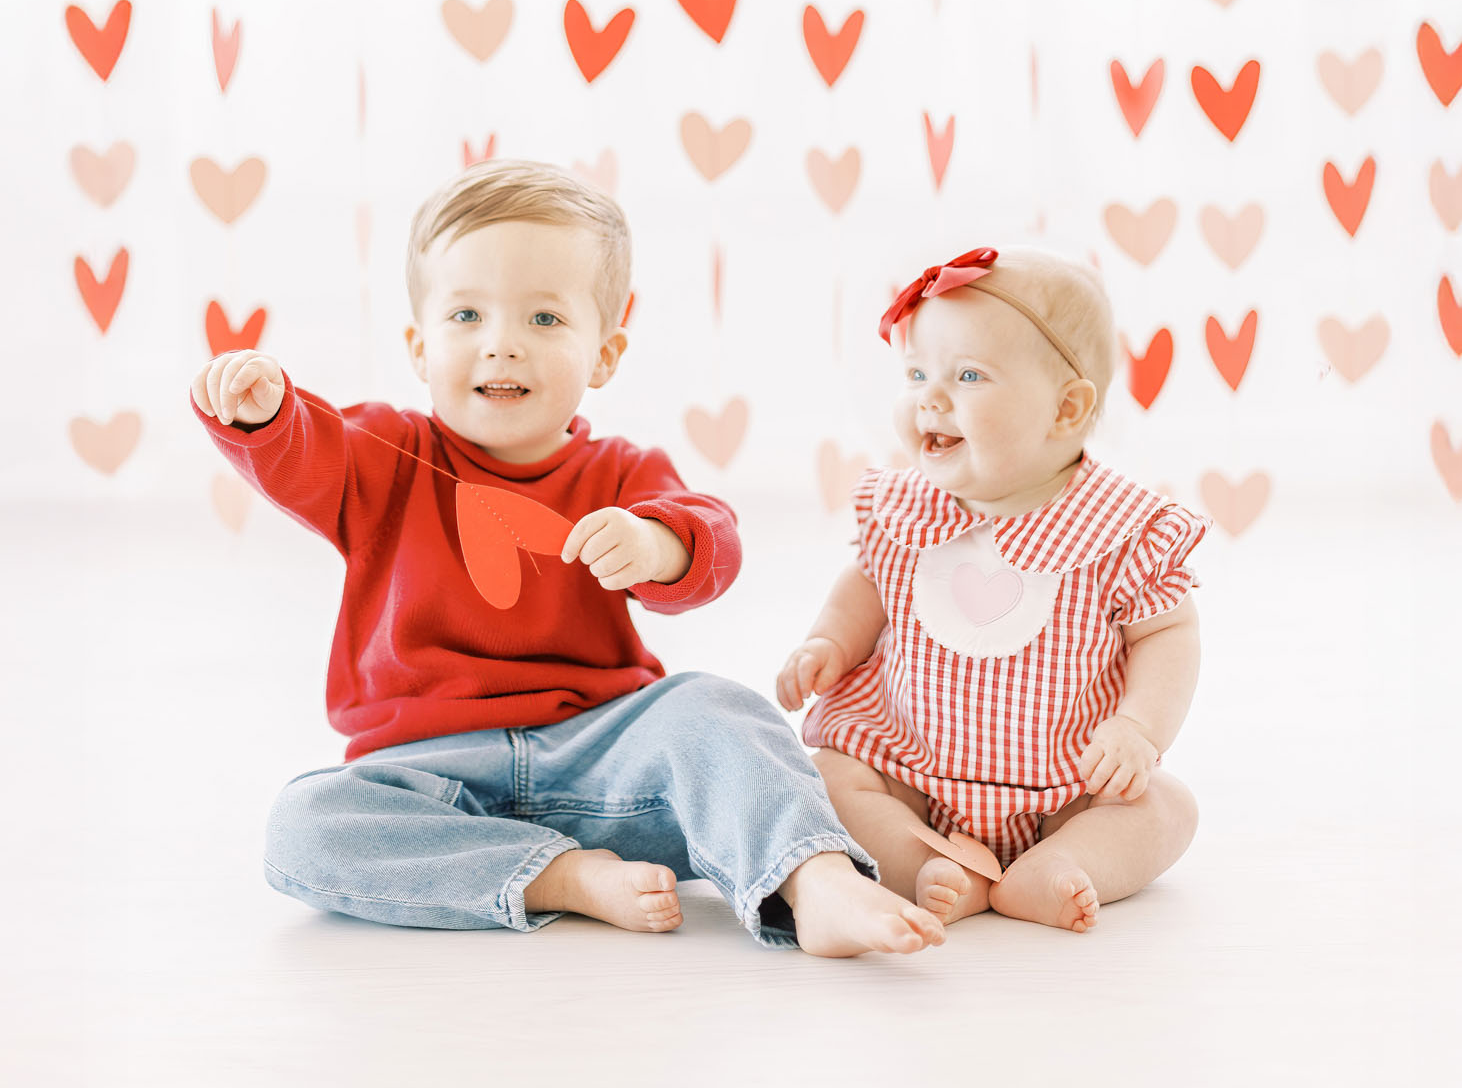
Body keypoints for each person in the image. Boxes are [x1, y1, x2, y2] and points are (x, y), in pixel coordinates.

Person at [192, 158, 945, 956]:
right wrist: (268, 415)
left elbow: (711, 537)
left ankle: (815, 879)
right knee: (306, 826)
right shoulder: (385, 450)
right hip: (437, 779)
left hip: (606, 765)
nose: (502, 347)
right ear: (418, 346)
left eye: (544, 320)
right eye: (467, 317)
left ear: (605, 353)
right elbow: (309, 454)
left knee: (718, 709)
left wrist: (656, 544)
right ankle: (557, 877)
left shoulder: (620, 472)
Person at [778, 245, 1207, 934]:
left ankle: (1062, 864)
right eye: (916, 374)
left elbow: (1167, 633)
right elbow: (867, 585)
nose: (930, 399)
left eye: (968, 375)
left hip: (1069, 783)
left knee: (1166, 809)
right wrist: (829, 640)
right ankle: (928, 862)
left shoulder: (1120, 529)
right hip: (911, 769)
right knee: (828, 774)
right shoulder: (904, 507)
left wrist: (1137, 729)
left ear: (1066, 410)